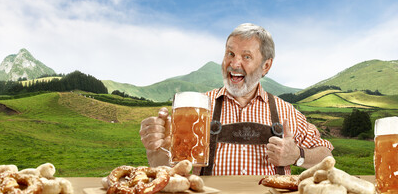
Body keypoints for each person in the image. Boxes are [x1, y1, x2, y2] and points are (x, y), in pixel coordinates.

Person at [139, 23, 333, 175]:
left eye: (246, 56)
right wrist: (155, 148)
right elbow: (163, 166)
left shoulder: (286, 113)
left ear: (266, 66)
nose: (234, 63)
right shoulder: (197, 109)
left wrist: (297, 155)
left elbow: (326, 156)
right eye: (230, 53)